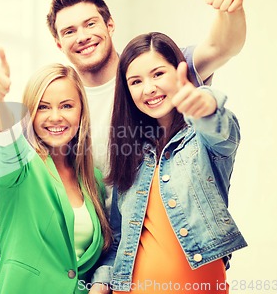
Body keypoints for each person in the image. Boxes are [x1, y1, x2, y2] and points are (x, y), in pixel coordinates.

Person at [93, 32, 247, 293]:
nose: (149, 88)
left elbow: (223, 131)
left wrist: (206, 106)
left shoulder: (202, 139)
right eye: (136, 81)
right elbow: (119, 241)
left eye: (158, 74)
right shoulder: (130, 154)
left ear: (179, 73)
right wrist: (99, 284)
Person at [46, 0, 246, 178]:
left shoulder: (155, 72)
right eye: (69, 32)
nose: (82, 37)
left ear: (110, 25)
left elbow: (220, 48)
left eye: (90, 24)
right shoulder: (62, 103)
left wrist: (230, 13)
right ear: (59, 44)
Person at [0, 61, 112, 294]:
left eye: (66, 106)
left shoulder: (93, 180)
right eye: (43, 107)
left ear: (81, 110)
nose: (55, 117)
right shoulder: (22, 164)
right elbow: (5, 146)